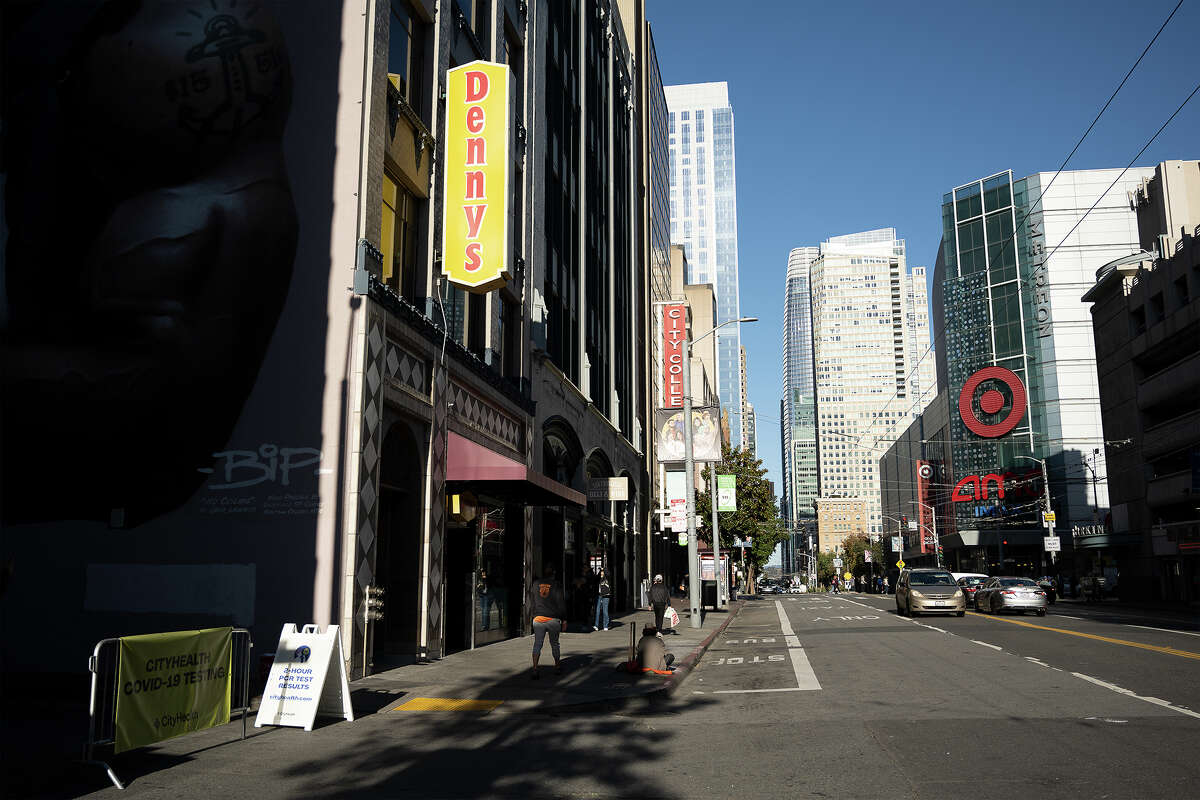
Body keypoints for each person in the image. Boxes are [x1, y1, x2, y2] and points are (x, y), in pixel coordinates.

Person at [530, 567, 567, 679]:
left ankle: (535, 668)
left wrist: (533, 615)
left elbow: (532, 601)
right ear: (553, 574)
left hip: (538, 618)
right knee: (555, 643)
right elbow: (561, 603)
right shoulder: (556, 585)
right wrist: (564, 619)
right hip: (552, 618)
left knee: (537, 644)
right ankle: (557, 666)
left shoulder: (535, 584)